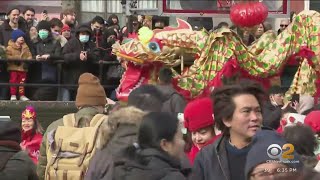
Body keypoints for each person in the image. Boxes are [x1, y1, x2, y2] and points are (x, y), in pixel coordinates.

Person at [37, 73, 108, 179]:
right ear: (102, 105)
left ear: (78, 104)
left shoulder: (55, 126)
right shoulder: (109, 126)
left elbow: (42, 169)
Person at [192, 81, 265, 180]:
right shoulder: (207, 158)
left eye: (258, 111)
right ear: (227, 120)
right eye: (246, 111)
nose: (255, 117)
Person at [113, 112, 190, 180]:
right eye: (181, 137)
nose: (183, 142)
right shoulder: (173, 177)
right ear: (164, 144)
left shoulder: (122, 169)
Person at [62, 24, 100, 101]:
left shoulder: (91, 45)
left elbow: (97, 55)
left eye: (86, 34)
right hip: (72, 80)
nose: (85, 36)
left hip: (87, 81)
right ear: (78, 34)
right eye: (83, 34)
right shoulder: (71, 43)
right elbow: (64, 56)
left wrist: (88, 56)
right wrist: (77, 56)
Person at [184, 97, 220, 164]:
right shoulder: (188, 159)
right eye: (194, 133)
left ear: (215, 129)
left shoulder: (222, 154)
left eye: (203, 133)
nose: (197, 139)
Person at [6, 29, 32, 101]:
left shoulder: (25, 47)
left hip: (23, 69)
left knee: (22, 82)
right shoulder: (9, 48)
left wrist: (28, 61)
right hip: (14, 68)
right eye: (20, 36)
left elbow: (29, 55)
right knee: (13, 82)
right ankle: (13, 94)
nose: (22, 38)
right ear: (15, 38)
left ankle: (21, 95)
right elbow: (7, 57)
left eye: (23, 37)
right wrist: (16, 58)